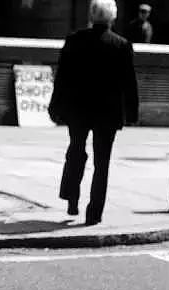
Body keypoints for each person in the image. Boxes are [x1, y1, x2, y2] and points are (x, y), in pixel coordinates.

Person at [48, 0, 138, 225]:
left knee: (76, 150)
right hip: (108, 113)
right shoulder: (121, 45)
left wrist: (55, 105)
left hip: (78, 108)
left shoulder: (74, 40)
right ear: (112, 18)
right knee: (102, 162)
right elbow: (129, 83)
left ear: (91, 15)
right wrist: (133, 111)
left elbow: (62, 77)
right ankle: (94, 212)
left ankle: (71, 197)